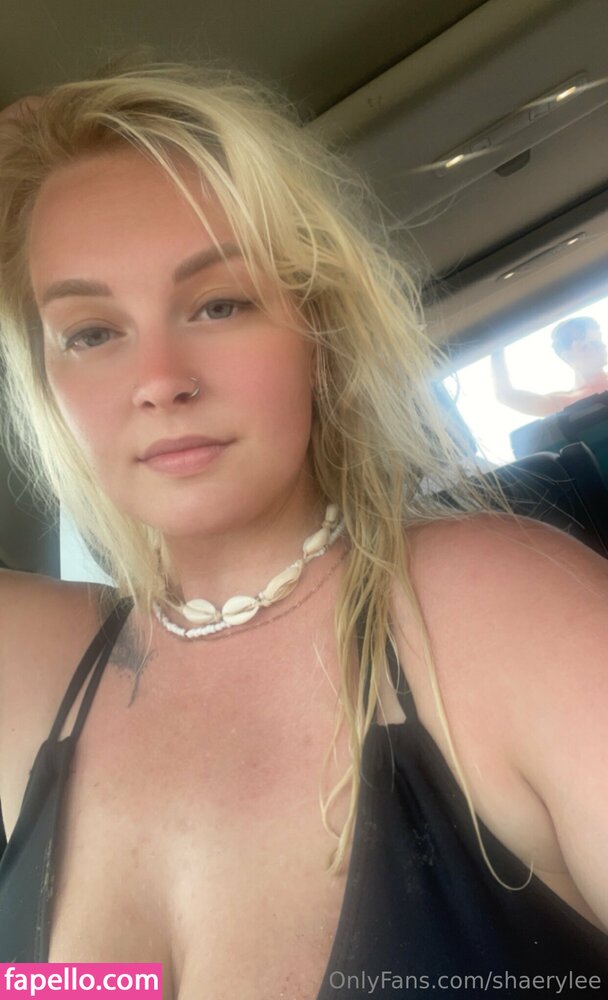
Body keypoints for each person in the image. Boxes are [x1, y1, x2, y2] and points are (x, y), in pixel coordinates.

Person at [0, 60, 607, 998]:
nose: (159, 380)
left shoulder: (499, 610)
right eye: (91, 332)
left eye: (220, 303)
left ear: (318, 328)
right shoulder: (32, 664)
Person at [491, 319, 608, 418]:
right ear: (567, 356)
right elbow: (506, 395)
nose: (601, 347)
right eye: (587, 345)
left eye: (600, 342)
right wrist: (497, 349)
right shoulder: (560, 402)